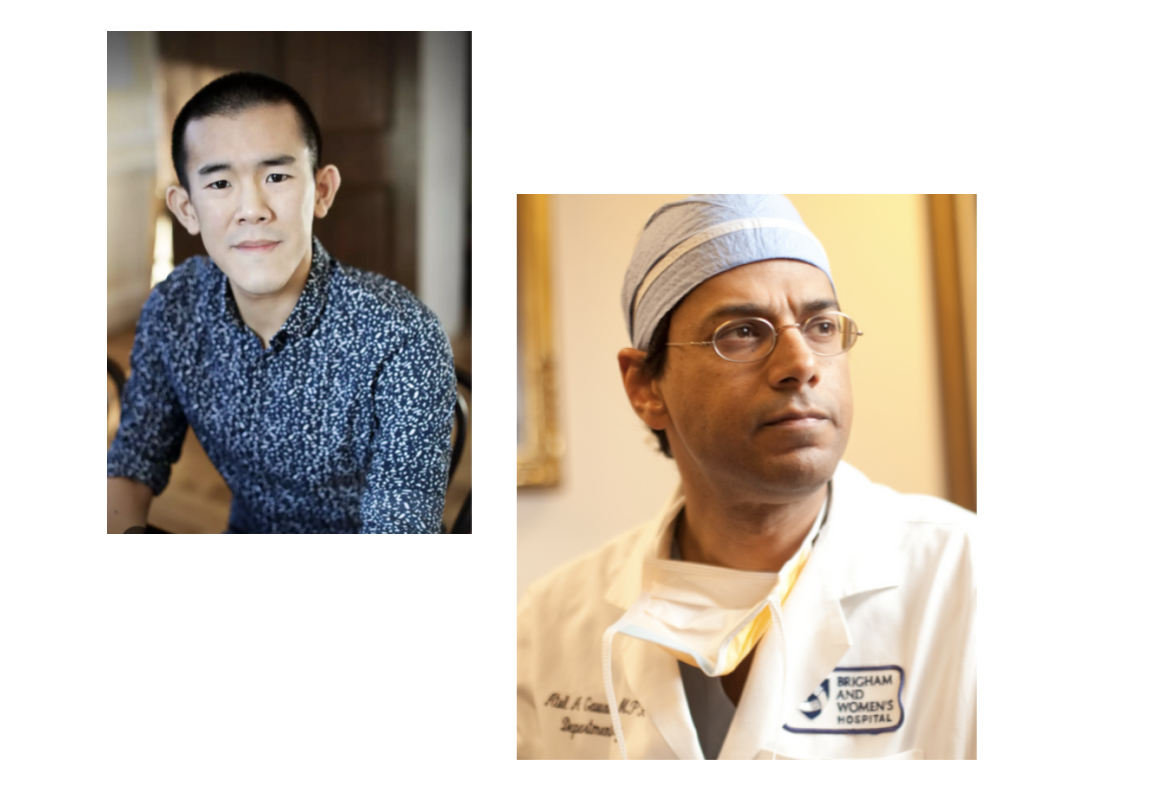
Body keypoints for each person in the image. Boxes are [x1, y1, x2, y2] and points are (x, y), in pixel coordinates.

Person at [515, 194, 976, 759]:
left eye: (822, 325)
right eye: (741, 333)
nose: (802, 362)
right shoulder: (549, 623)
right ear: (644, 386)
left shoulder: (961, 578)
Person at [107, 72, 456, 534]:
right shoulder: (177, 306)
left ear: (322, 191)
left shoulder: (402, 337)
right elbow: (134, 459)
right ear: (186, 209)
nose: (252, 208)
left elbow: (400, 524)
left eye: (276, 175)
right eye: (218, 184)